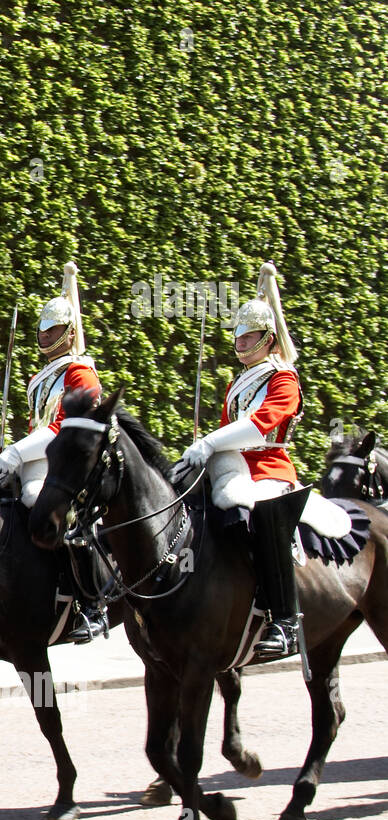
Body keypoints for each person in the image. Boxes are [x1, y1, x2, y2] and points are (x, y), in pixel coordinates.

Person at [170, 261, 304, 661]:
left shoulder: (283, 378)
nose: (242, 343)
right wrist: (204, 450)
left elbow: (262, 426)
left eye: (250, 337)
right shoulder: (238, 381)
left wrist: (210, 443)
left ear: (268, 337)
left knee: (264, 515)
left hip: (269, 469)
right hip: (233, 467)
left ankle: (285, 620)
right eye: (239, 336)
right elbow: (229, 428)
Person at [0, 261, 107, 643]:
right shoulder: (41, 377)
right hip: (39, 458)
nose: (46, 334)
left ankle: (91, 605)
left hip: (67, 465)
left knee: (43, 502)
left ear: (70, 333)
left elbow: (63, 429)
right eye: (43, 329)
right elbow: (37, 428)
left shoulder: (80, 373)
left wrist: (17, 455)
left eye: (54, 329)